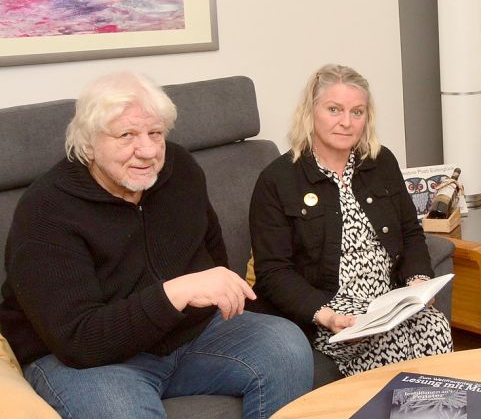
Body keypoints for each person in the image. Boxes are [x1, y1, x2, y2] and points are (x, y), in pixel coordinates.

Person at [0, 72, 313, 419]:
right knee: (120, 410)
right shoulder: (47, 210)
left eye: (155, 133)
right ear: (88, 143)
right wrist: (175, 293)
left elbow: (213, 260)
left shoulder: (180, 171)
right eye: (126, 135)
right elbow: (79, 340)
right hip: (86, 359)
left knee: (285, 344)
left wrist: (197, 295)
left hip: (187, 338)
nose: (147, 150)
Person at [249, 64, 452, 376]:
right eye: (334, 109)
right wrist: (326, 314)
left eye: (357, 112)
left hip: (388, 301)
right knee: (382, 343)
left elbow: (411, 232)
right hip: (329, 309)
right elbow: (274, 273)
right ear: (310, 111)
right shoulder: (278, 180)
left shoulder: (381, 162)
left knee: (434, 326)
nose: (346, 122)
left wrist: (418, 281)